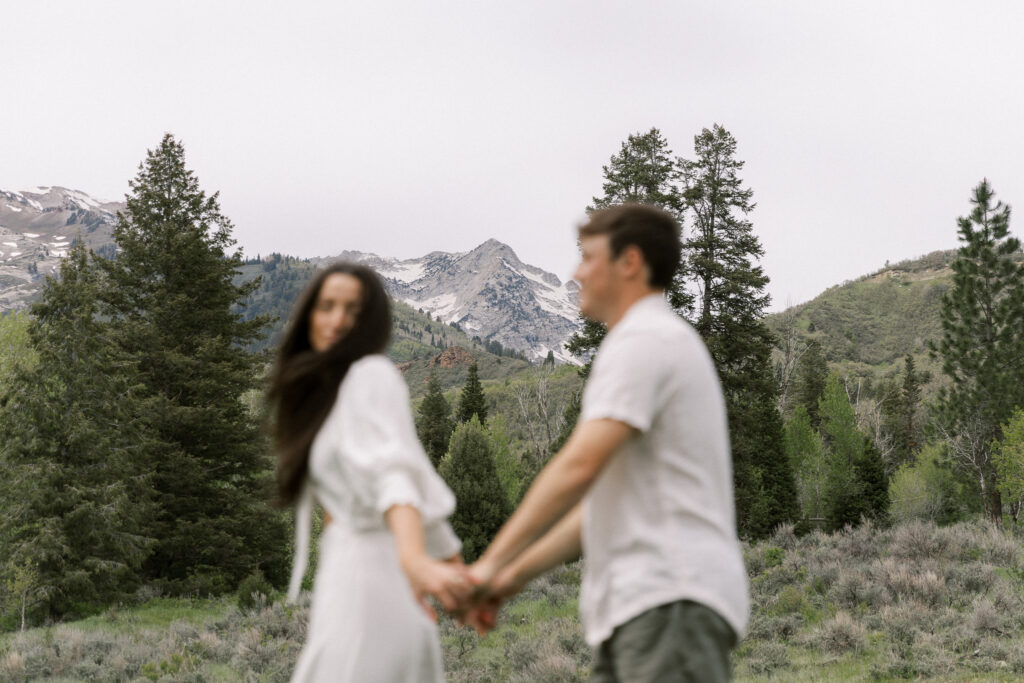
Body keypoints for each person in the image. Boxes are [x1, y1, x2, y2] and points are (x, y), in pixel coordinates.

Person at [463, 204, 750, 682]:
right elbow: (592, 512)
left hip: (667, 605)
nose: (576, 273)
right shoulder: (650, 340)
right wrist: (507, 580)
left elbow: (579, 467)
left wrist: (488, 564)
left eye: (588, 257)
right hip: (649, 610)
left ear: (629, 262)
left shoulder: (645, 339)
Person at [268, 263, 471, 682]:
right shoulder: (330, 390)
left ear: (371, 322)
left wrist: (416, 560)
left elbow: (395, 475)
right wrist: (458, 576)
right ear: (309, 314)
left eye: (353, 310)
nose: (338, 319)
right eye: (327, 306)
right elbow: (413, 483)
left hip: (371, 585)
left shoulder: (371, 375)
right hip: (348, 578)